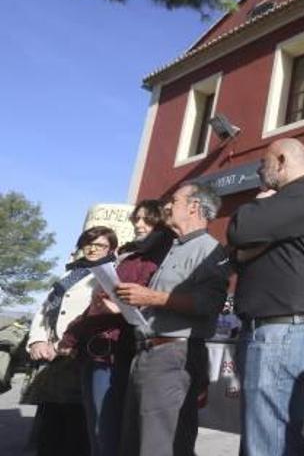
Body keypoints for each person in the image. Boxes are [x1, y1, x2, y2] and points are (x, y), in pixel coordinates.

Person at [227, 138, 304, 456]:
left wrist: (260, 201)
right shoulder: (291, 203)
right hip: (272, 329)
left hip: (281, 330)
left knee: (268, 440)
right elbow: (236, 253)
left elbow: (240, 230)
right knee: (262, 435)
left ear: (281, 159)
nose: (261, 172)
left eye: (263, 164)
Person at [117, 182, 230, 456]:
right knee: (134, 443)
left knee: (159, 446)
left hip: (173, 356)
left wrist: (151, 298)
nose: (167, 205)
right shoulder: (173, 247)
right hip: (147, 354)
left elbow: (210, 303)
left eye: (174, 200)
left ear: (193, 206)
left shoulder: (210, 250)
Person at [59, 199, 174, 456]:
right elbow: (97, 303)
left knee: (107, 427)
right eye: (136, 218)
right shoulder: (127, 253)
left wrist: (121, 309)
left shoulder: (161, 257)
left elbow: (153, 303)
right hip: (94, 344)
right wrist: (71, 335)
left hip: (118, 349)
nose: (139, 224)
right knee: (95, 425)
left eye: (146, 219)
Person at [24, 225, 118, 456]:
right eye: (89, 243)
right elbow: (44, 309)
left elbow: (95, 316)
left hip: (79, 354)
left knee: (78, 424)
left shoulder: (110, 275)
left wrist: (61, 345)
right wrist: (37, 340)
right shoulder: (71, 274)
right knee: (50, 421)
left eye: (100, 245)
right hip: (53, 358)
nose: (93, 249)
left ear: (111, 249)